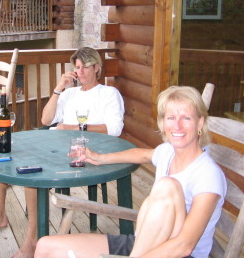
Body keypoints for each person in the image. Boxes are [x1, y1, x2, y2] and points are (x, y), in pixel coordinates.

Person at [0, 47, 125, 258]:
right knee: (5, 158)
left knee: (31, 172)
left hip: (85, 152)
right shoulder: (69, 94)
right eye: (77, 67)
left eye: (85, 67)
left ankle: (31, 242)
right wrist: (58, 89)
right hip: (55, 144)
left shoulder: (108, 93)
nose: (81, 72)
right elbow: (46, 120)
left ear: (96, 68)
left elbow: (114, 129)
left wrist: (72, 128)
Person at [34, 86, 227, 258]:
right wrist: (99, 158)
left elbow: (184, 246)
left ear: (200, 123)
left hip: (175, 252)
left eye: (186, 118)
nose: (177, 126)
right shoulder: (167, 152)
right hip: (144, 243)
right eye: (171, 118)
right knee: (45, 247)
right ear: (163, 123)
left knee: (168, 186)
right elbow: (142, 155)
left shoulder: (207, 175)